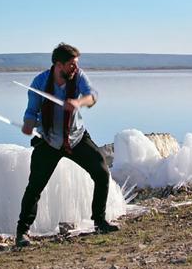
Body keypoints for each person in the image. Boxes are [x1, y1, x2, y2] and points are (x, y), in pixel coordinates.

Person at [15, 43, 119, 247]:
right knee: (35, 186)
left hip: (76, 137)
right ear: (58, 65)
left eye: (76, 64)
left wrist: (78, 103)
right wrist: (28, 125)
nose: (75, 68)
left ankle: (99, 221)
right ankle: (22, 233)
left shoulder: (78, 76)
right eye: (71, 64)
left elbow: (92, 96)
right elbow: (31, 112)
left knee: (101, 172)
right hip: (49, 140)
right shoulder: (39, 81)